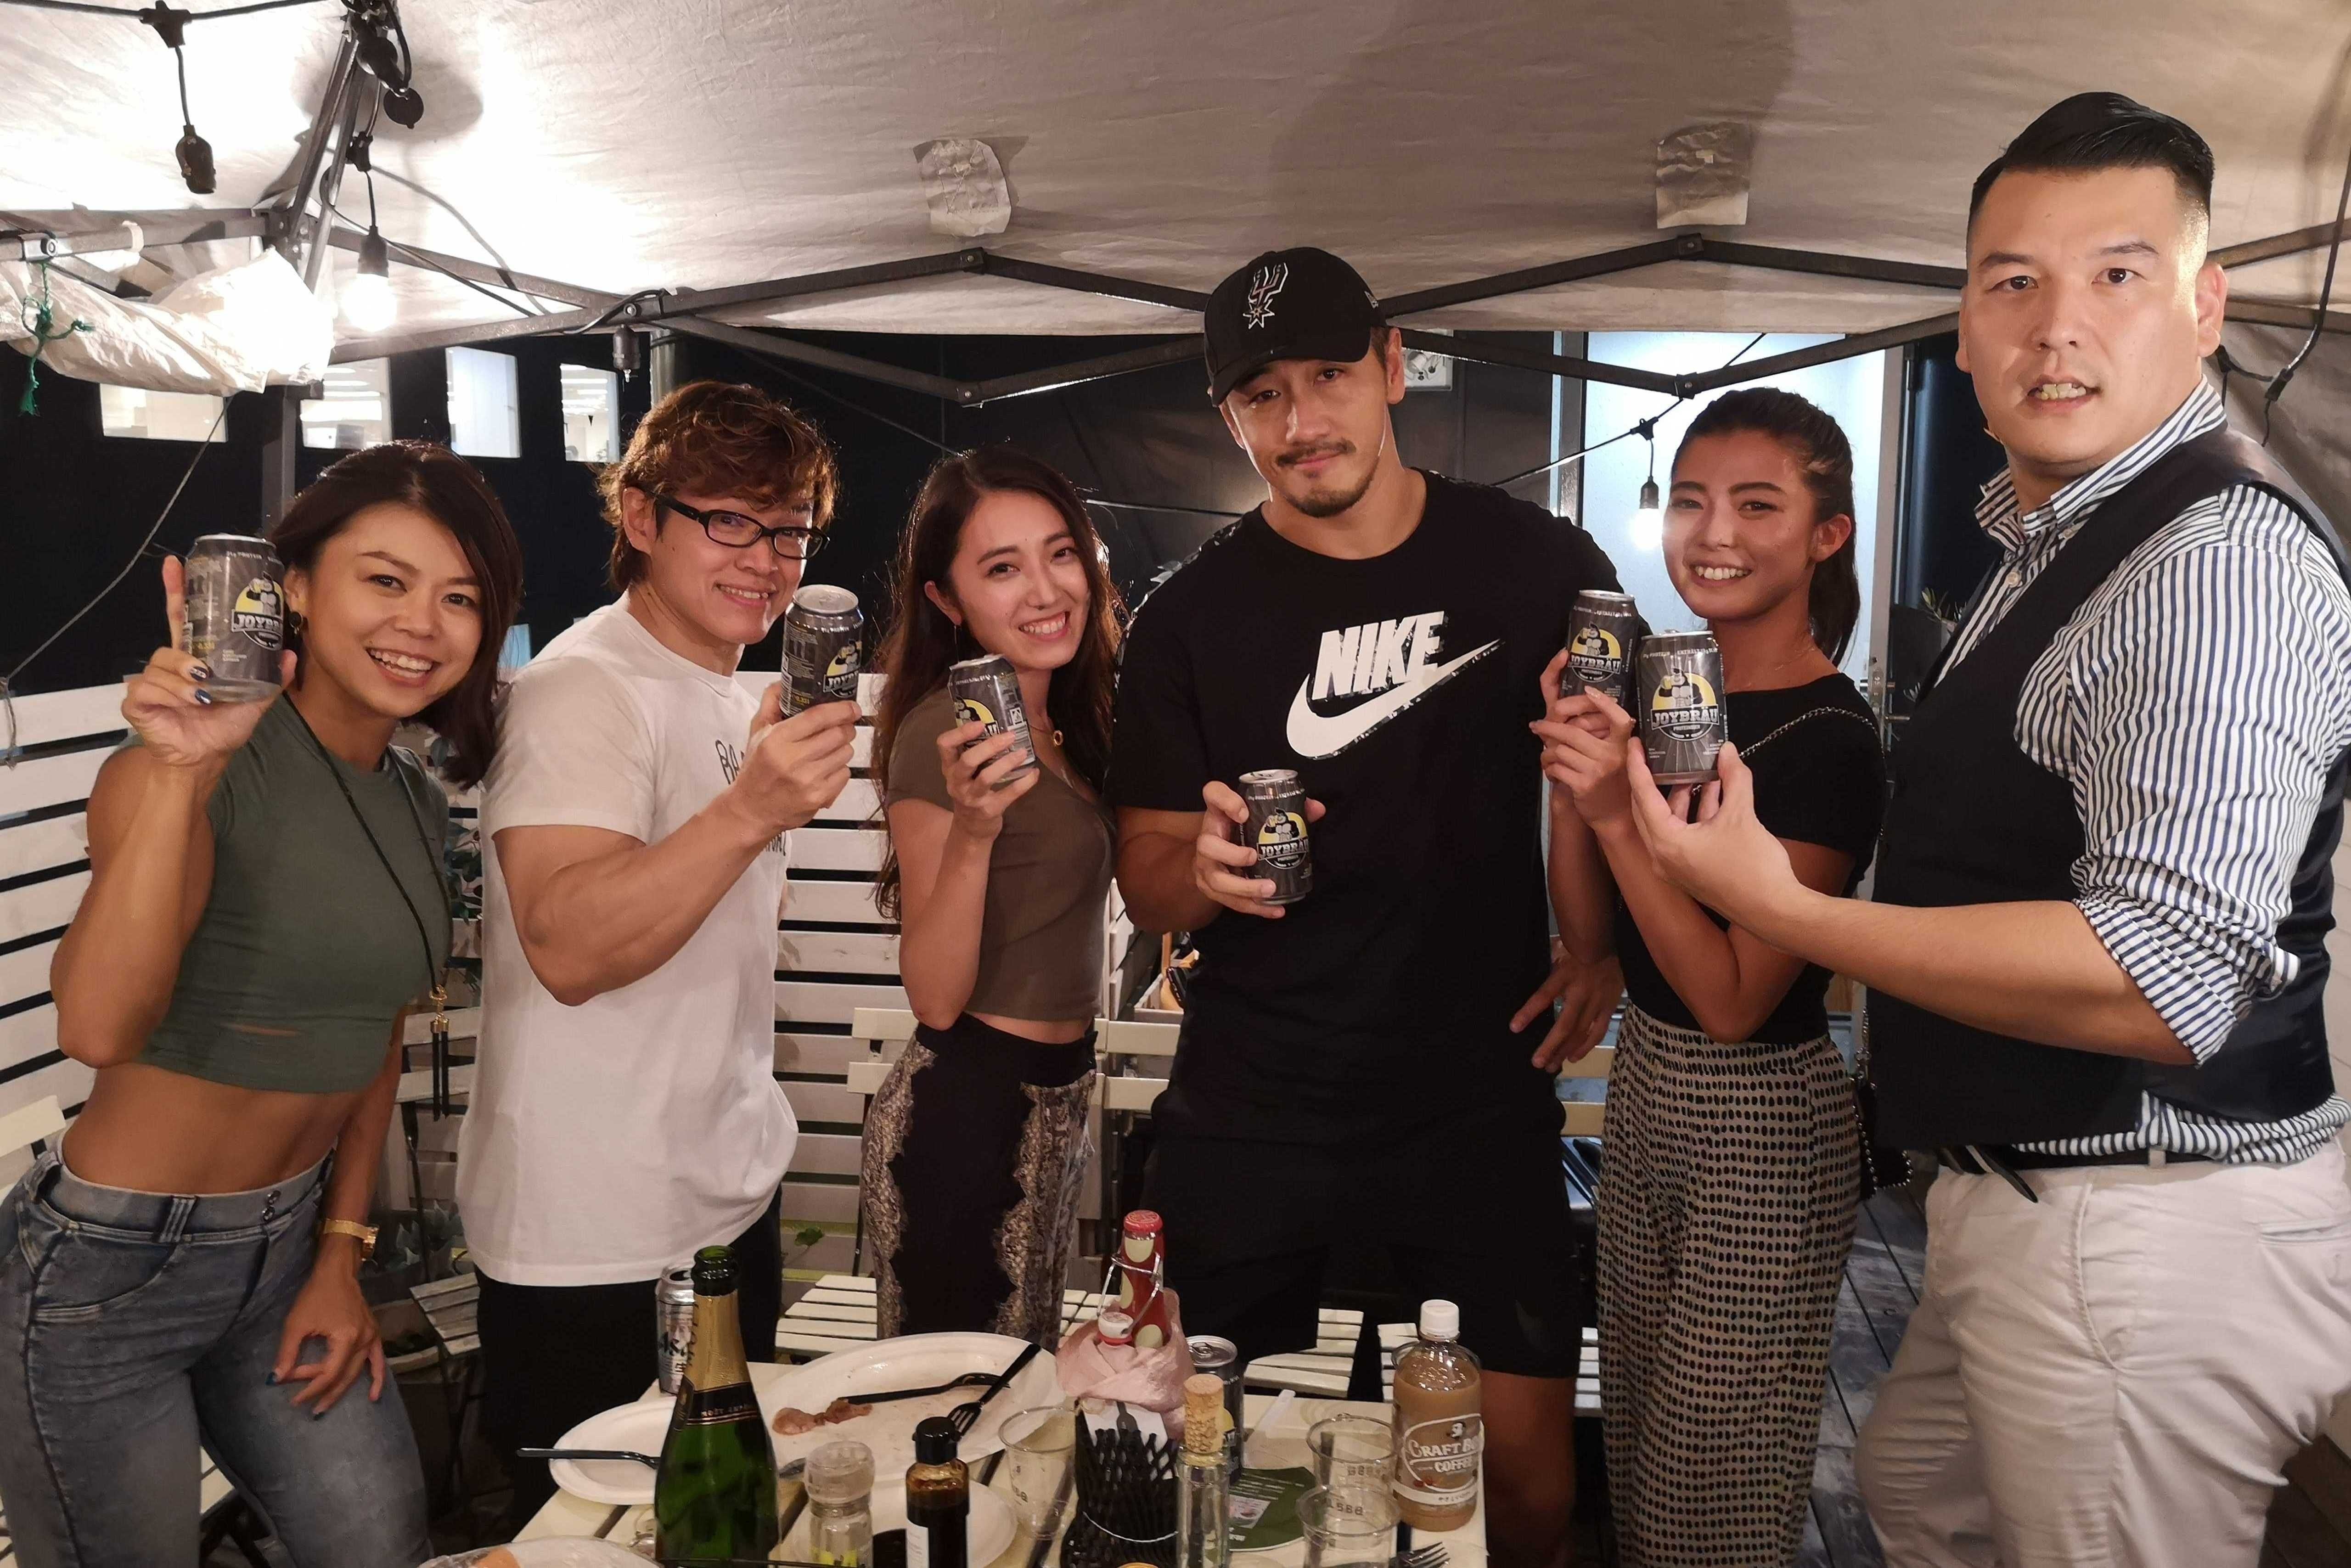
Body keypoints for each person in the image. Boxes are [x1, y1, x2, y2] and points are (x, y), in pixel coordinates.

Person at [1621, 94, 2351, 1567]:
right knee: (1918, 1498)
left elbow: (2168, 977)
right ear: (1963, 325)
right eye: (2014, 280)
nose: (2056, 325)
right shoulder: (2055, 546)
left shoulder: (2216, 563)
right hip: (2012, 1192)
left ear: (2207, 307)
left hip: (2146, 1214)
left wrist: (1788, 908)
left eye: (2119, 274)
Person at [1111, 246, 1627, 1568]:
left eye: (1330, 376)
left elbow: (1588, 774)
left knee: (1525, 1492)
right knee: (1203, 1465)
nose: (1301, 420)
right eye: (1262, 394)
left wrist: (1597, 945)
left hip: (1474, 1094)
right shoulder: (1188, 618)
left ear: (1394, 367)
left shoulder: (1536, 562)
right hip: (1254, 1101)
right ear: (1229, 413)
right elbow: (1146, 863)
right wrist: (1199, 879)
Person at [0, 442, 523, 1568]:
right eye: (385, 580)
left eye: (460, 597)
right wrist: (183, 771)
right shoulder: (182, 767)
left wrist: (339, 1250)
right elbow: (96, 1029)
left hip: (284, 1256)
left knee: (377, 1544)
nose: (422, 624)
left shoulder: (410, 796)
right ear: (296, 588)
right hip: (108, 1273)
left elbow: (373, 1035)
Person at [458, 381, 860, 1526]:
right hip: (595, 1236)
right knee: (595, 1537)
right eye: (729, 520)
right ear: (640, 516)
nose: (765, 560)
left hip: (719, 1200)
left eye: (789, 531)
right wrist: (752, 811)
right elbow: (568, 945)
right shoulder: (582, 688)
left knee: (723, 1521)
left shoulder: (728, 694)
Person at [1535, 388, 1884, 1567]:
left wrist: (1620, 818)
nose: (1712, 532)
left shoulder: (1831, 738)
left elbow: (1735, 1000)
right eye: (1690, 502)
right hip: (1648, 1085)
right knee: (1641, 1445)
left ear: (1826, 534)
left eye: (1755, 505)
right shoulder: (1663, 694)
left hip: (1764, 1119)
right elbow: (1596, 937)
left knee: (1713, 1476)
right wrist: (1577, 780)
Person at [862, 447, 1123, 1344]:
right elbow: (934, 997)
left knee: (1024, 1386)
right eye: (1003, 568)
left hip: (1055, 1100)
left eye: (1061, 553)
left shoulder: (1074, 720)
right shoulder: (945, 730)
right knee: (957, 1404)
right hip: (966, 1116)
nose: (1046, 591)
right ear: (947, 599)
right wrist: (975, 830)